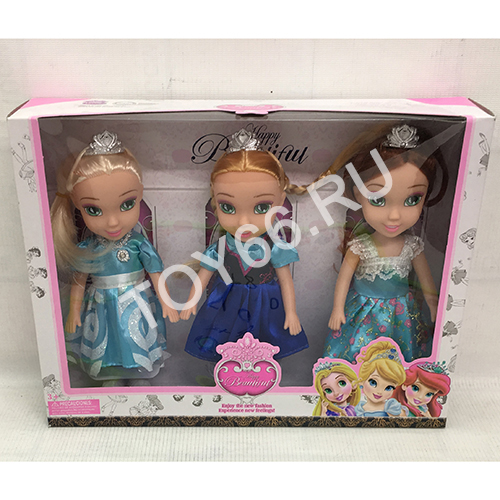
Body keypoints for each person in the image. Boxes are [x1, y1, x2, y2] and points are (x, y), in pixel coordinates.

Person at [50, 130, 178, 383]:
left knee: (134, 334)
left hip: (135, 300)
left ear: (140, 194)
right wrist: (74, 311)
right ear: (76, 203)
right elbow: (78, 282)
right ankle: (112, 374)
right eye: (93, 210)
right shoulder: (88, 247)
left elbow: (155, 273)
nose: (112, 222)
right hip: (100, 302)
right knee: (106, 336)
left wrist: (166, 301)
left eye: (127, 204)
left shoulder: (138, 244)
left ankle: (138, 371)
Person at [181, 129, 308, 362]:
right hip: (227, 302)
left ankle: (262, 378)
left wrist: (291, 312)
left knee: (265, 348)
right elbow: (204, 275)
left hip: (266, 304)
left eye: (261, 208)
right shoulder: (221, 247)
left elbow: (285, 280)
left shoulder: (275, 246)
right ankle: (226, 377)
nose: (243, 222)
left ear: (281, 201)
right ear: (215, 202)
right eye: (228, 207)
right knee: (225, 347)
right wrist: (191, 301)